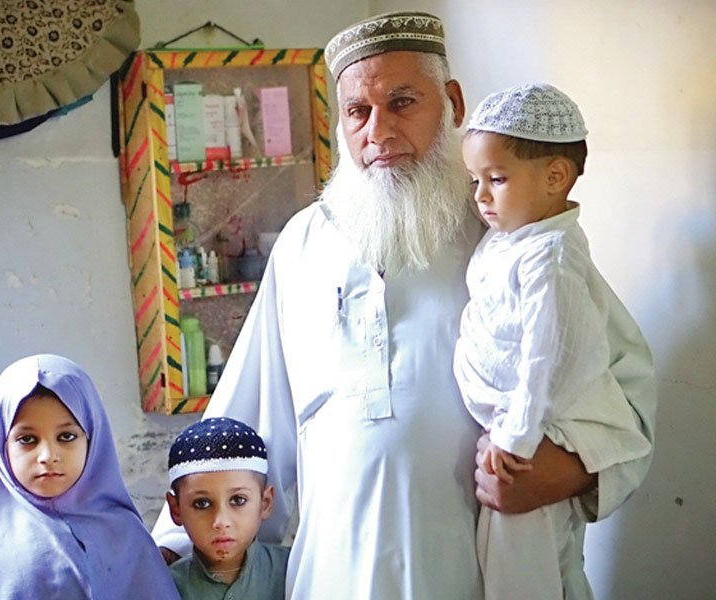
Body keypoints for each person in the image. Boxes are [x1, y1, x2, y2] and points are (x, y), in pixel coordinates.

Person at [152, 11, 657, 599]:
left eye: (403, 102)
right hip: (334, 571)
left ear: (452, 103)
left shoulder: (515, 236)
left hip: (485, 568)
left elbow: (626, 394)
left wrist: (563, 474)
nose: (379, 131)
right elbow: (251, 413)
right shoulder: (303, 244)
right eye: (358, 112)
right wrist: (169, 548)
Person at [453, 83, 653, 600]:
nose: (479, 196)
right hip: (512, 436)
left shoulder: (552, 258)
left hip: (531, 445)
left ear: (555, 176)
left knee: (528, 577)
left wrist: (515, 437)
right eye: (475, 179)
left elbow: (551, 357)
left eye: (494, 179)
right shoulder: (513, 238)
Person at [0, 354, 180, 600]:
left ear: (93, 438)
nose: (47, 456)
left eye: (66, 437)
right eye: (27, 440)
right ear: (1, 444)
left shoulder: (126, 535)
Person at [164, 417, 289, 599]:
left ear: (265, 503)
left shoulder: (295, 571)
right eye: (202, 504)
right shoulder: (164, 586)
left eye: (238, 500)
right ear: (176, 509)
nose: (221, 522)